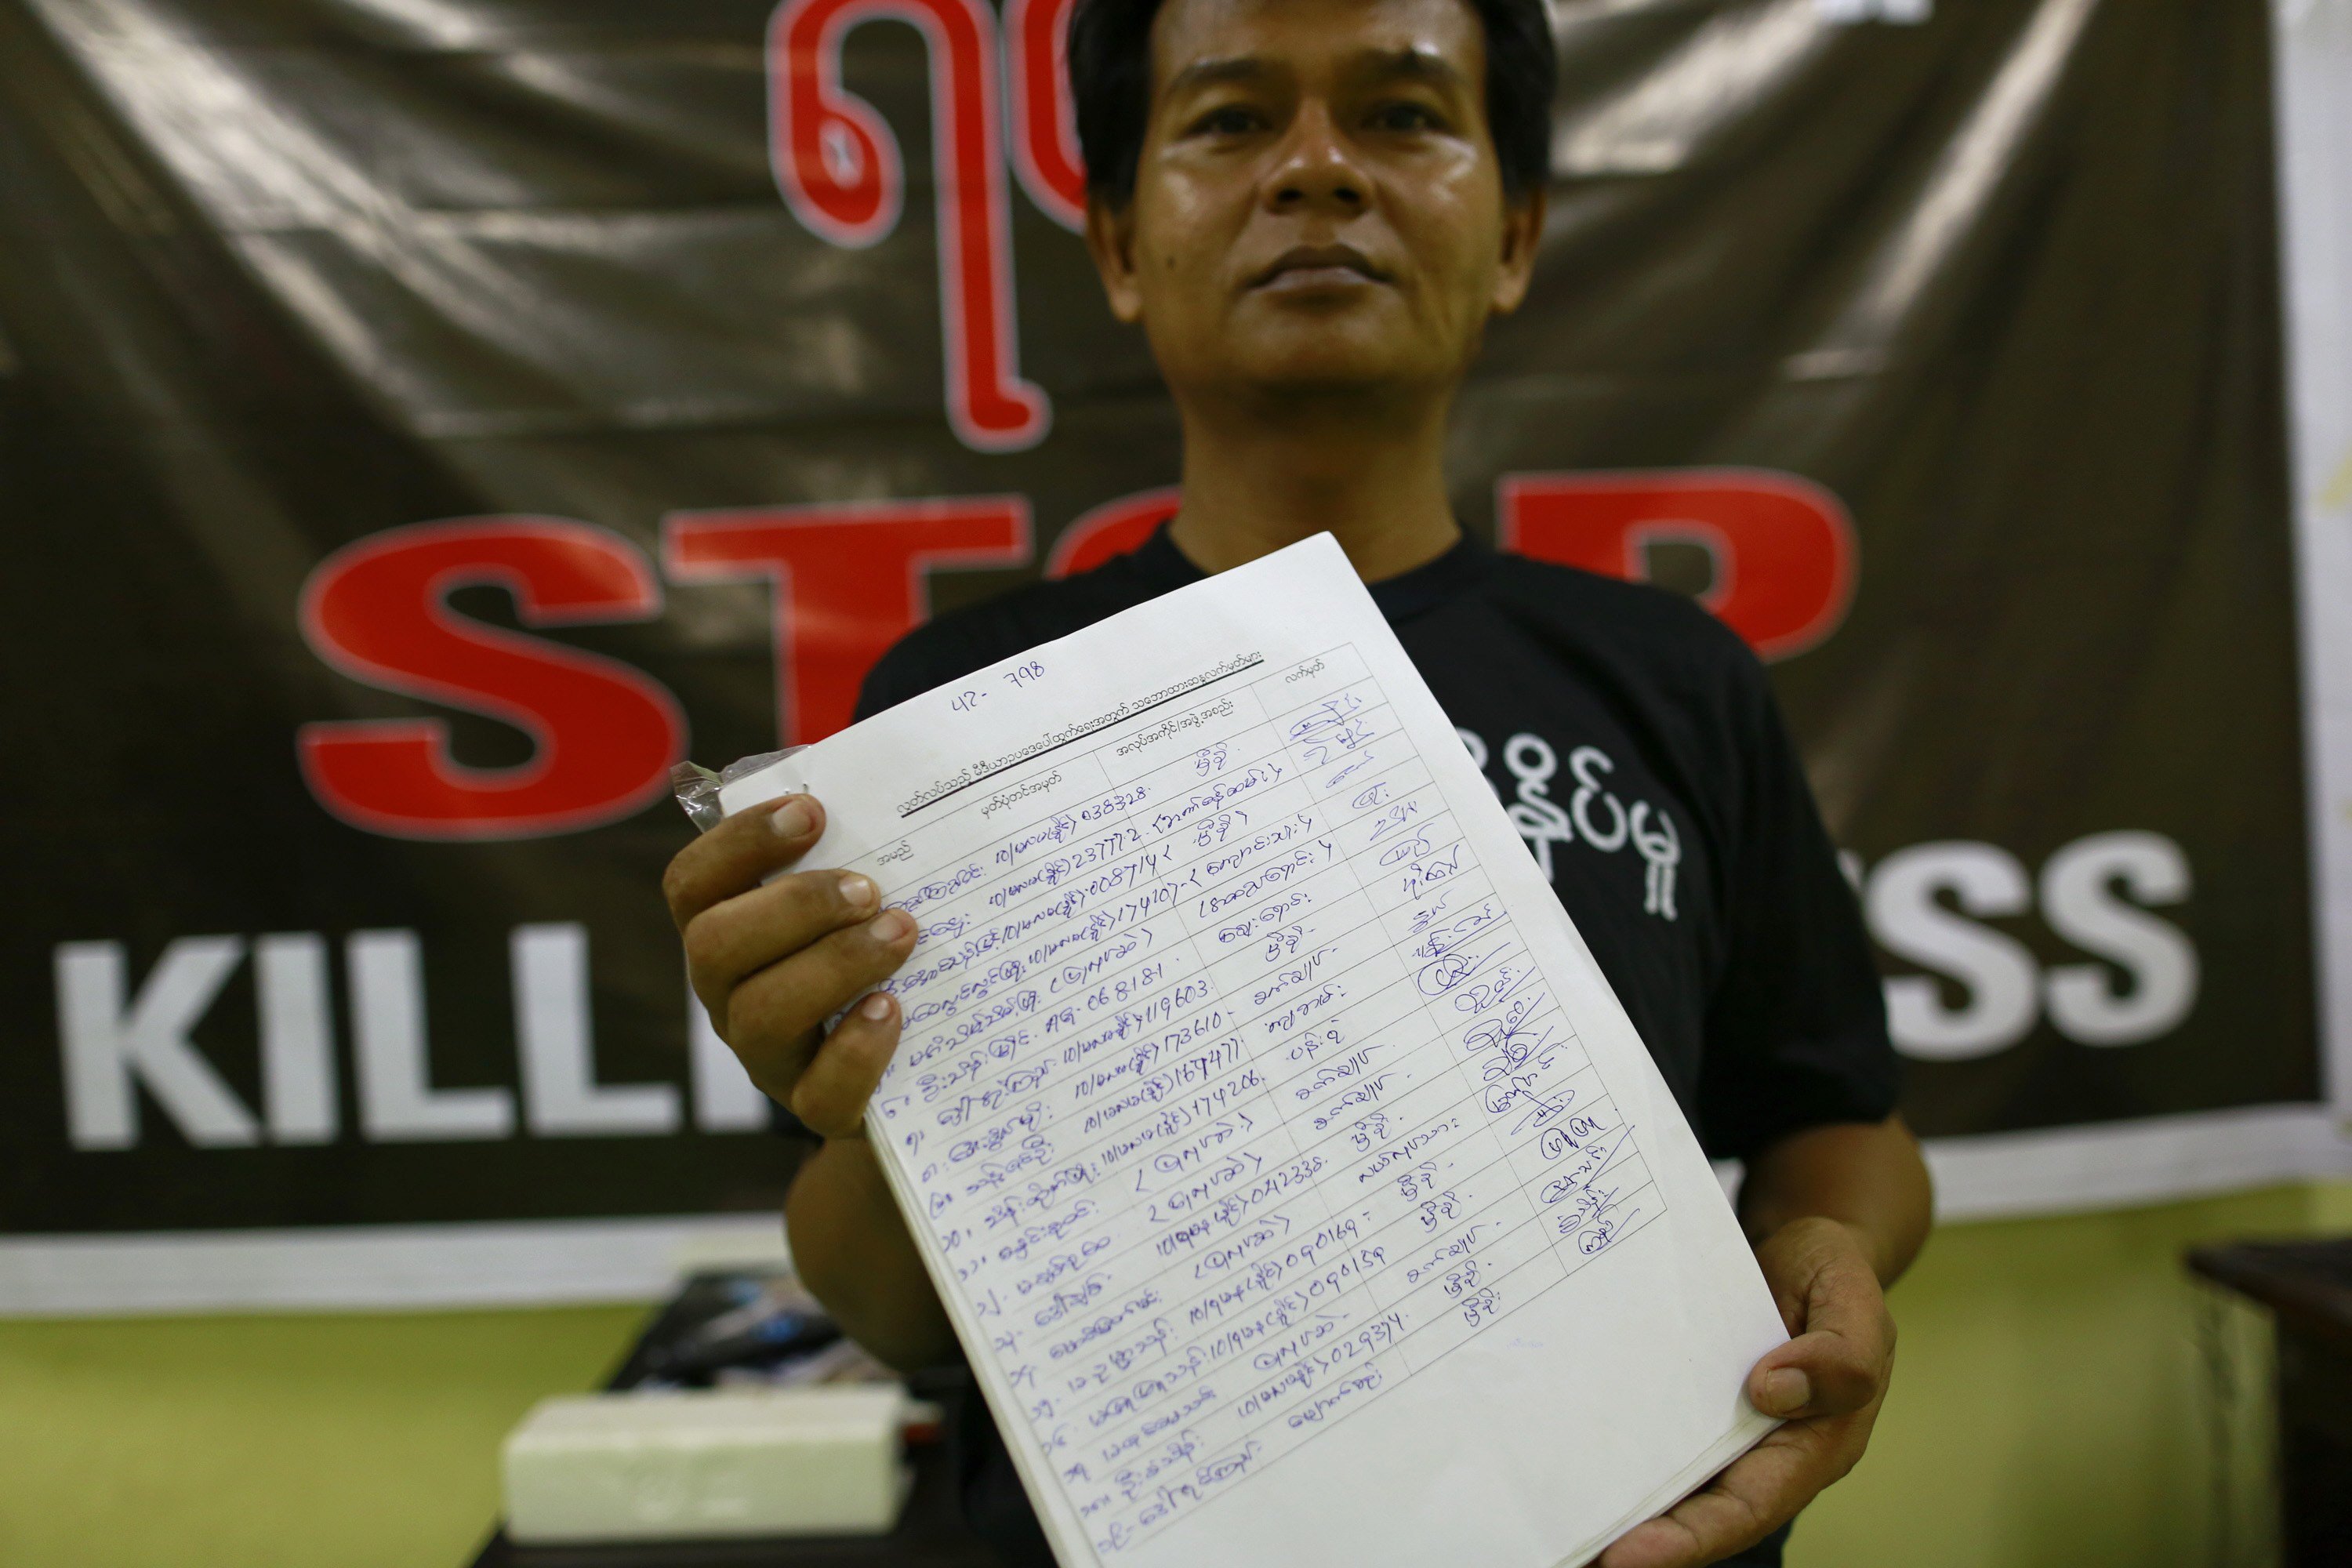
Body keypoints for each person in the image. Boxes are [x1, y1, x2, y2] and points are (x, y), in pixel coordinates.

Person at [662, 0, 1934, 1561]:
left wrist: (1825, 1250)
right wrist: (852, 1110)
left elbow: (1839, 1119)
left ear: (1516, 233)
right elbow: (897, 1307)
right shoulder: (948, 723)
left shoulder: (1674, 679)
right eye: (1230, 117)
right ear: (1121, 246)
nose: (1316, 169)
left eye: (1402, 115)